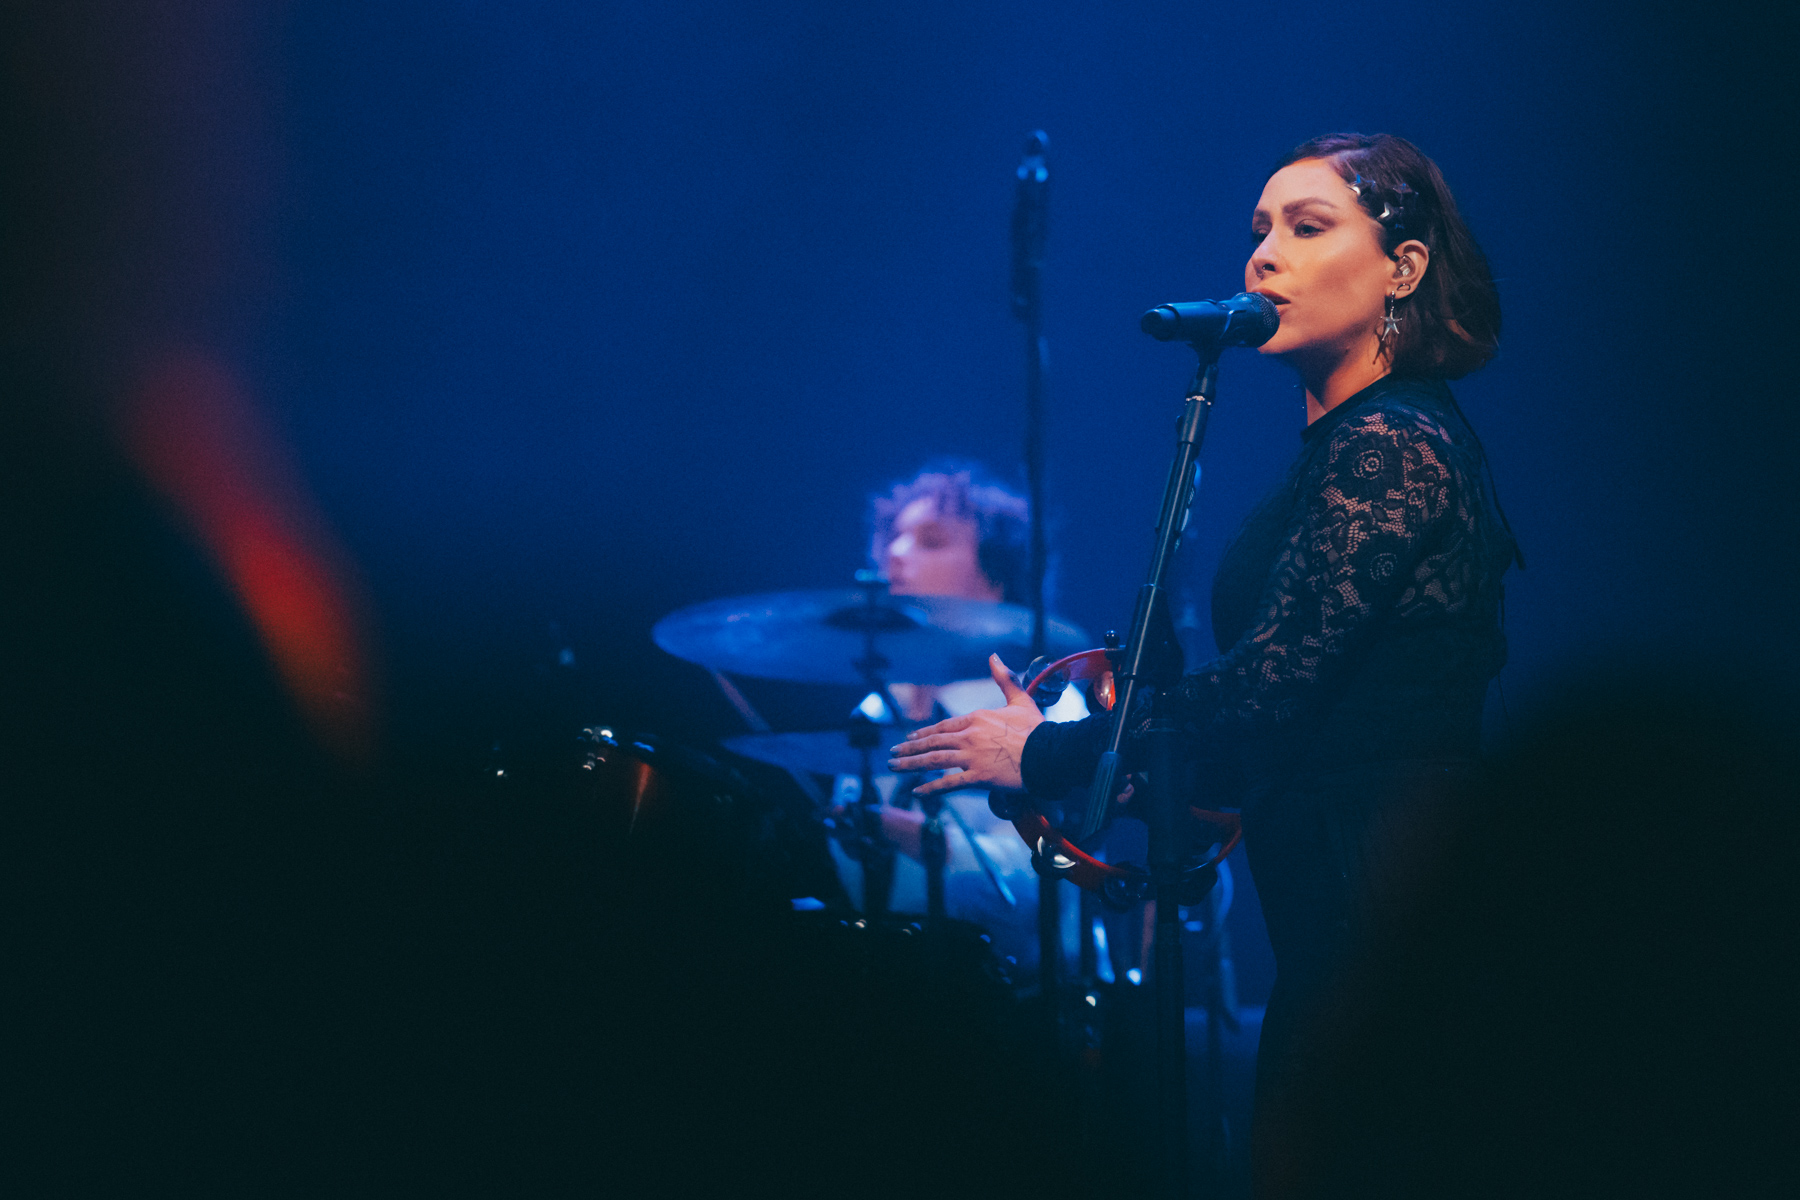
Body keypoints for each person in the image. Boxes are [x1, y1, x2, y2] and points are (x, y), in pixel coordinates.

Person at [891, 133, 1519, 1195]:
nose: (1263, 256)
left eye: (1307, 228)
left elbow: (1271, 688)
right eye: (1260, 230)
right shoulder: (1347, 449)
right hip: (1339, 922)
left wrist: (1052, 754)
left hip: (1387, 916)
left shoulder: (1393, 445)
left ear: (1403, 269)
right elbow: (1296, 726)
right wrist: (1103, 777)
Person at [829, 465, 1084, 969]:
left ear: (995, 579)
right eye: (893, 538)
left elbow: (1045, 879)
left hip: (1023, 988)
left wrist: (925, 842)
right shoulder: (873, 713)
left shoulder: (1045, 706)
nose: (896, 553)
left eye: (931, 541)